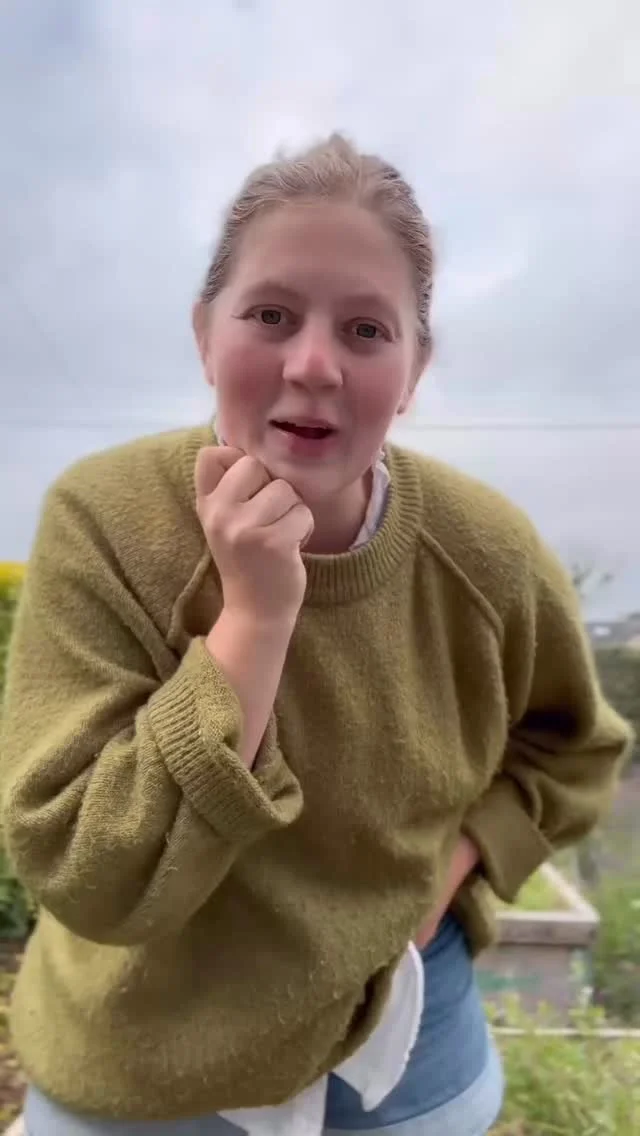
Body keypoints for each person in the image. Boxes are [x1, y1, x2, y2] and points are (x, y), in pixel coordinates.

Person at [0, 134, 633, 1136]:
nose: (312, 364)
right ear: (204, 332)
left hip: (407, 1058)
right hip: (140, 1070)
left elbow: (575, 746)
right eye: (270, 314)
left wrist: (459, 861)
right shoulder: (106, 520)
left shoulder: (488, 552)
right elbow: (90, 874)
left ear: (413, 370)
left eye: (367, 329)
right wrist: (254, 616)